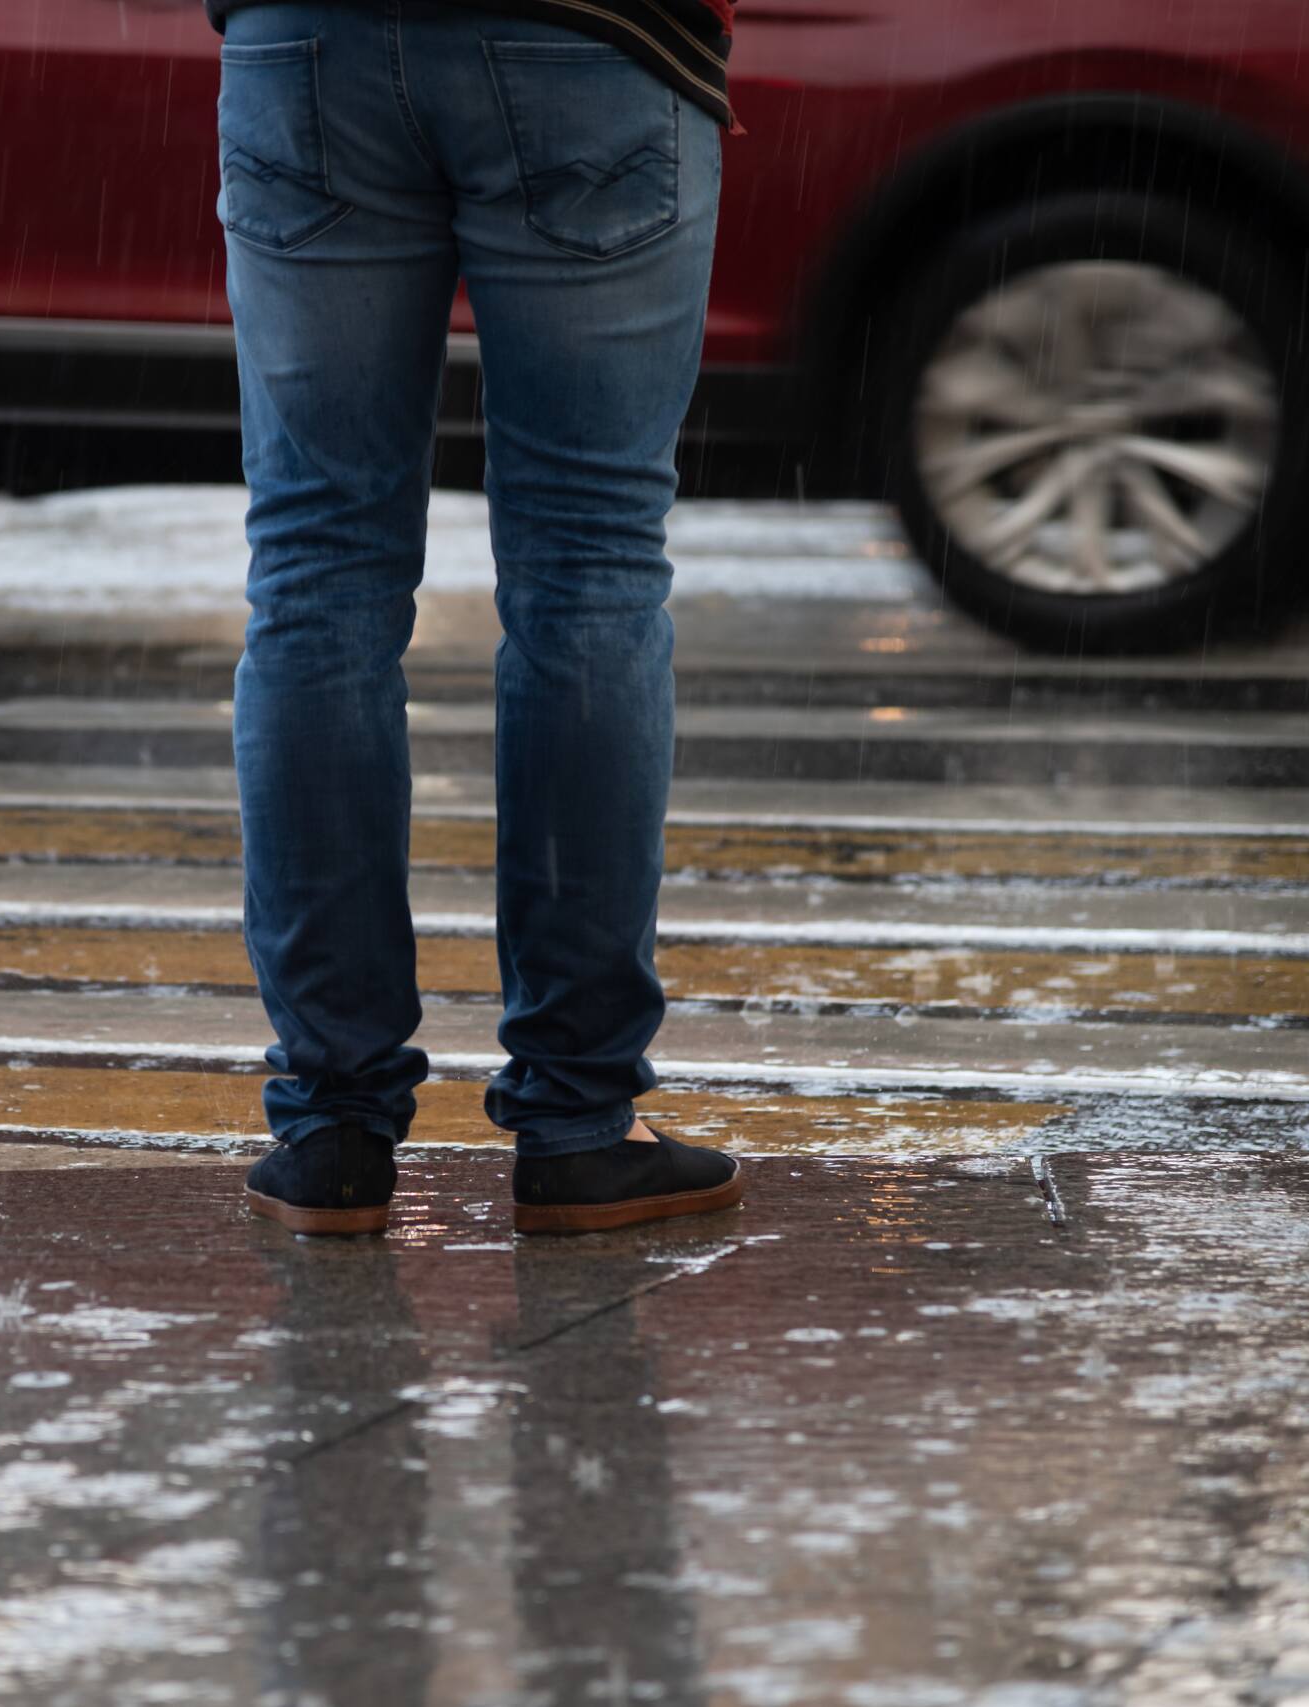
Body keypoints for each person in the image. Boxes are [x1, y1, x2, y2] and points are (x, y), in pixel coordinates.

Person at [210, 0, 746, 1236]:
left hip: (310, 42)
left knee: (315, 570)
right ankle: (576, 1122)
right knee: (590, 571)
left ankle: (331, 1126)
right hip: (594, 31)